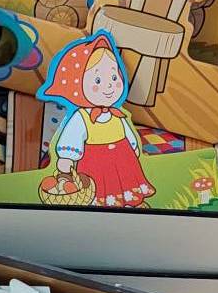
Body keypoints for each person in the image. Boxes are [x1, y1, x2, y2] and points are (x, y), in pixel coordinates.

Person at [42, 31, 154, 207]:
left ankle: (130, 204)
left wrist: (134, 151)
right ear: (78, 85)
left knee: (127, 187)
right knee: (102, 194)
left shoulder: (118, 114)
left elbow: (131, 139)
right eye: (98, 80)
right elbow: (72, 139)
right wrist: (66, 161)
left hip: (124, 161)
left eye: (114, 77)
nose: (109, 85)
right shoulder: (82, 117)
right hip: (95, 164)